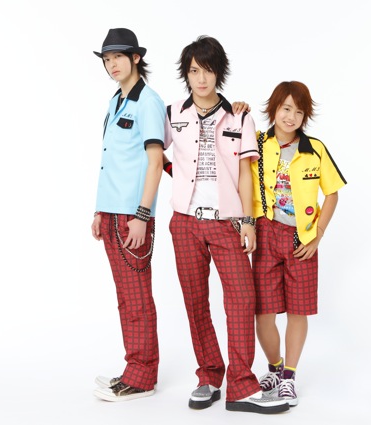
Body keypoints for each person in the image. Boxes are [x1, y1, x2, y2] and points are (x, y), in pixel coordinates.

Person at [162, 35, 289, 414]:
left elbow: (247, 172)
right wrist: (179, 178)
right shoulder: (172, 114)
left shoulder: (240, 116)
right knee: (195, 302)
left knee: (242, 300)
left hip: (228, 224)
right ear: (186, 74)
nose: (201, 79)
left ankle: (241, 385)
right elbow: (152, 154)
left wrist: (248, 220)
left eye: (208, 70)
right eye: (194, 71)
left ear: (219, 73)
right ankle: (208, 376)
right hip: (185, 223)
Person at [250, 81, 347, 406]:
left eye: (299, 112)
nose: (291, 117)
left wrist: (318, 235)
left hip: (301, 239)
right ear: (274, 109)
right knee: (263, 312)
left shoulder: (314, 149)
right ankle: (274, 368)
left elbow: (332, 193)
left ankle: (289, 377)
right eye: (286, 108)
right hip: (265, 234)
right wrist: (237, 109)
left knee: (297, 310)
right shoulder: (257, 143)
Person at [90, 28, 166, 402]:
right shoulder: (115, 100)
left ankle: (142, 377)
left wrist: (142, 214)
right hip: (111, 212)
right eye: (107, 59)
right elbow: (112, 160)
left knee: (137, 297)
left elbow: (156, 162)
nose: (112, 65)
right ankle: (133, 368)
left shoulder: (148, 102)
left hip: (132, 216)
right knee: (125, 297)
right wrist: (98, 209)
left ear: (136, 58)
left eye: (118, 57)